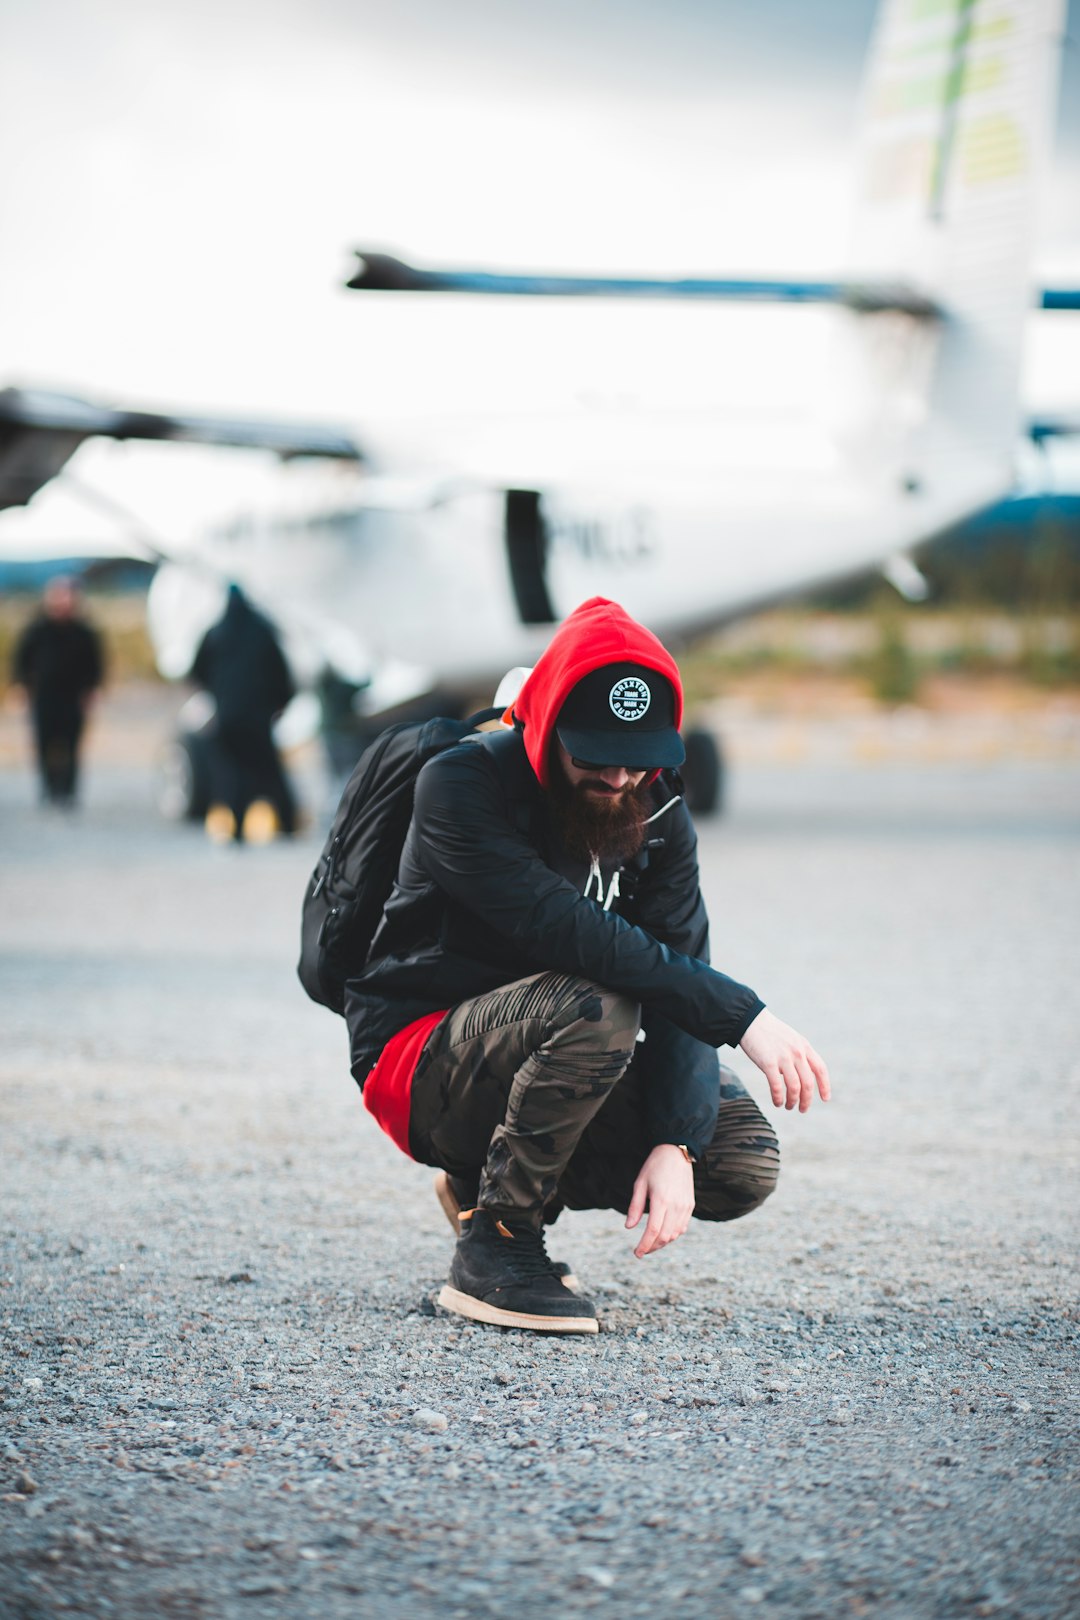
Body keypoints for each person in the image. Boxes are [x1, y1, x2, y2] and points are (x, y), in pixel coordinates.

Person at [345, 597, 830, 1334]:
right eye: (593, 753)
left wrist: (675, 1141)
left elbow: (678, 964)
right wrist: (745, 1017)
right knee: (599, 1000)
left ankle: (485, 1181)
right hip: (415, 1058)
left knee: (733, 1157)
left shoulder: (657, 808)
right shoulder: (462, 787)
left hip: (538, 1042)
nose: (618, 777)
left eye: (639, 758)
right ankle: (497, 1246)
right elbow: (573, 936)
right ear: (544, 726)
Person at [190, 584, 298, 843]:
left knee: (231, 774)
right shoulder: (262, 632)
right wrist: (280, 703)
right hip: (259, 716)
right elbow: (281, 672)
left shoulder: (215, 632)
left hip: (227, 716)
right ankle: (287, 823)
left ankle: (236, 828)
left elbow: (196, 672)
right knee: (269, 772)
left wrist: (217, 695)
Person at [12, 575, 104, 807]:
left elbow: (96, 664)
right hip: (44, 696)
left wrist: (93, 689)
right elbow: (21, 660)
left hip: (73, 697)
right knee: (44, 743)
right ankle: (48, 788)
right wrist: (21, 686)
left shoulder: (84, 632)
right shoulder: (37, 629)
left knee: (72, 744)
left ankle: (68, 791)